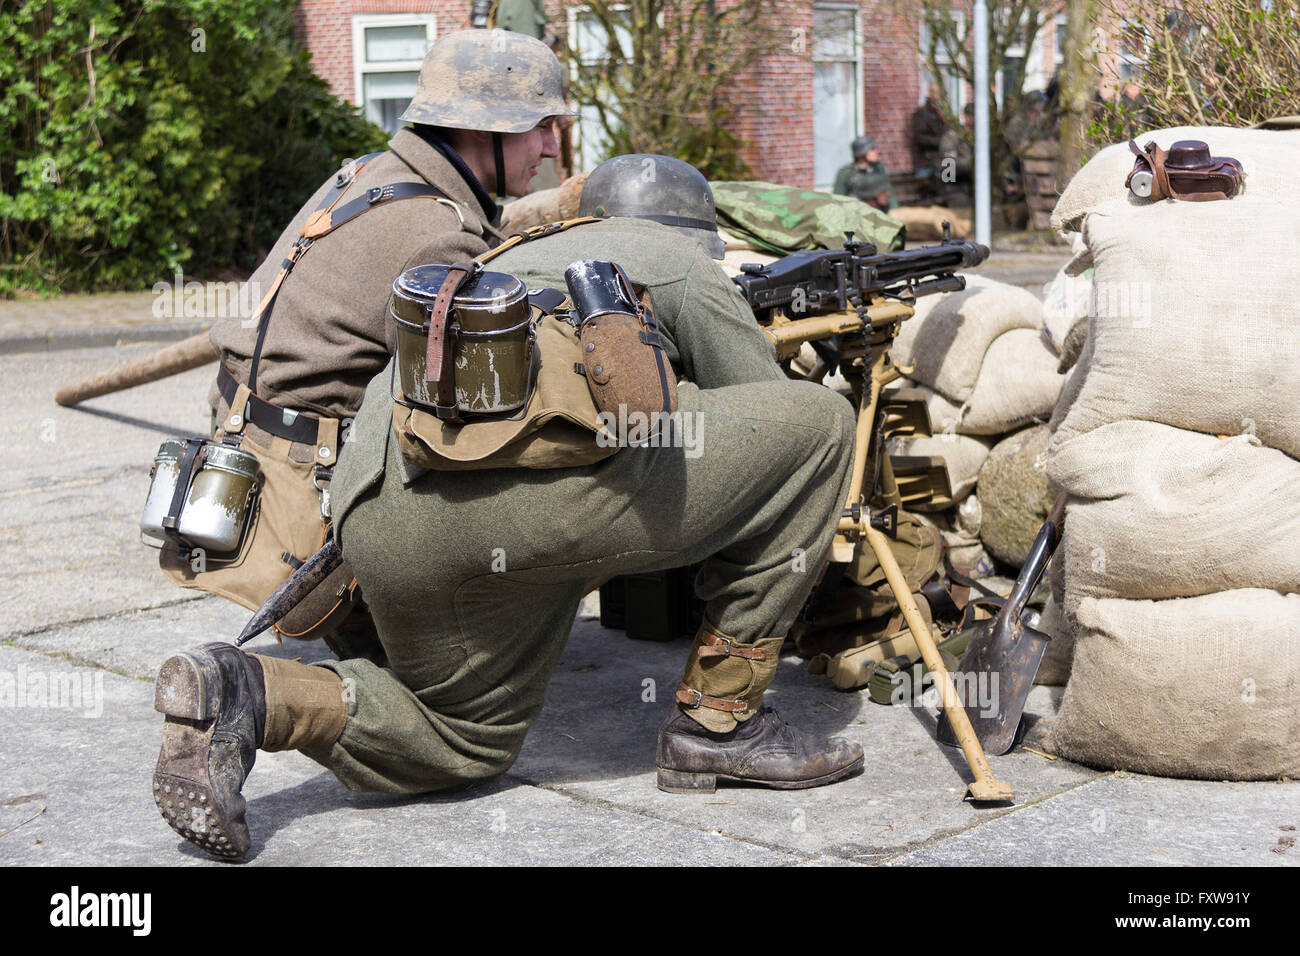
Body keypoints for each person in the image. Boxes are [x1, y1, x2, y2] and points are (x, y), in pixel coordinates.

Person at [150, 154, 865, 861]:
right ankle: (718, 725)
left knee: (463, 738)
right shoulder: (675, 257)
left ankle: (243, 691)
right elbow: (772, 426)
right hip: (514, 513)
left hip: (374, 518)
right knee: (821, 426)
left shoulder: (509, 251)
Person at [156, 30, 567, 659]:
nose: (551, 145)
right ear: (484, 129)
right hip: (307, 493)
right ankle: (409, 636)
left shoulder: (365, 175)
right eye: (540, 125)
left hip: (237, 435)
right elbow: (476, 411)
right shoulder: (439, 236)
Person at [833, 135, 896, 213]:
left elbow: (891, 195)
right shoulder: (846, 173)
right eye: (872, 149)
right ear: (862, 152)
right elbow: (837, 202)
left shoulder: (879, 169)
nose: (877, 152)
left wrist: (887, 204)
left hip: (880, 216)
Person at [911, 91, 946, 174]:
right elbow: (919, 137)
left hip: (944, 160)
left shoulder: (943, 113)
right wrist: (941, 141)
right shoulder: (922, 113)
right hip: (927, 162)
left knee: (948, 183)